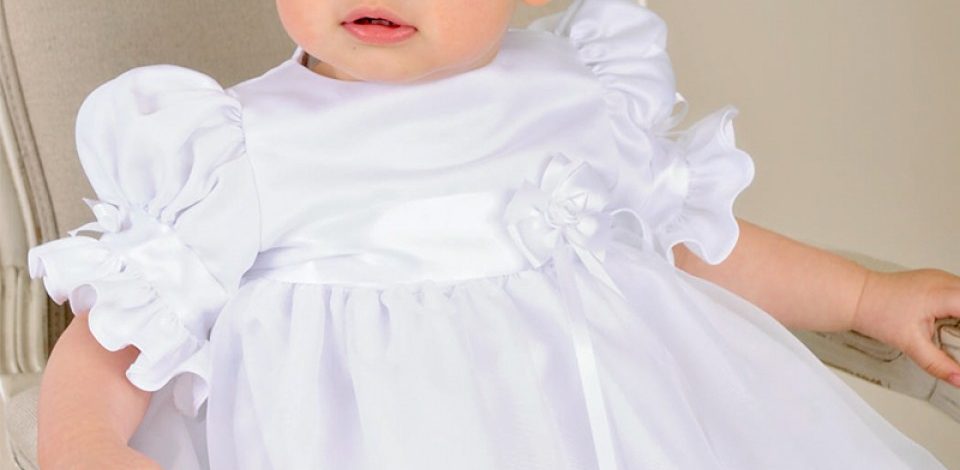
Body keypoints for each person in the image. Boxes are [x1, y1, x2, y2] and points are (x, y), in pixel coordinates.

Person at [27, 0, 960, 468]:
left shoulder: (581, 89)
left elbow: (686, 240)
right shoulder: (234, 147)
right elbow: (117, 336)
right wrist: (84, 447)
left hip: (628, 436)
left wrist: (866, 298)